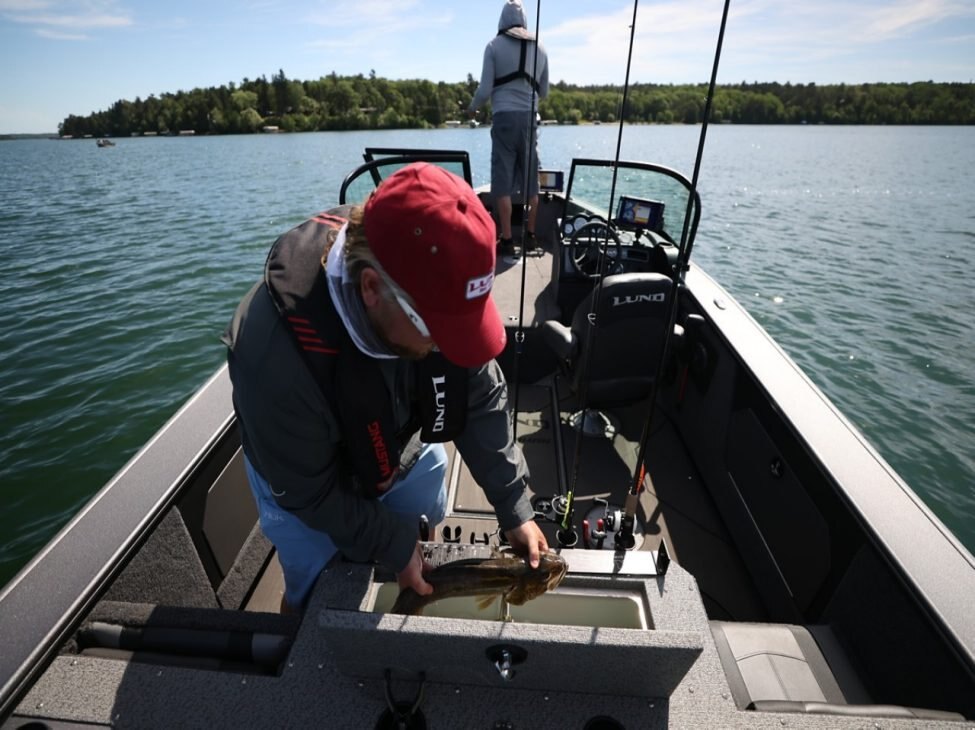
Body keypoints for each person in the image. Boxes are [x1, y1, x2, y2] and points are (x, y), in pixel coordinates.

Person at [222, 162, 548, 613]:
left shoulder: (431, 283)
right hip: (306, 483)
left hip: (394, 446)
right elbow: (309, 493)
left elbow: (480, 394)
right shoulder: (272, 358)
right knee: (314, 587)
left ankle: (412, 563)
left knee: (422, 511)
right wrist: (389, 540)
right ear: (372, 288)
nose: (449, 346)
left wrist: (513, 504)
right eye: (437, 330)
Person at [468, 0, 549, 257]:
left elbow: (484, 91)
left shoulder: (493, 46)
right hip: (529, 121)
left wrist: (472, 108)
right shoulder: (541, 48)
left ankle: (506, 239)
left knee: (502, 183)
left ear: (502, 19)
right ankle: (531, 236)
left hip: (503, 120)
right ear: (524, 19)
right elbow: (544, 92)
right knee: (532, 183)